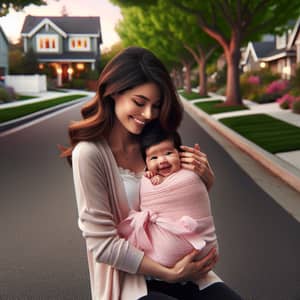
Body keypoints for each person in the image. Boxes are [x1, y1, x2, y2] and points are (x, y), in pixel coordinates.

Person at [61, 46, 242, 300]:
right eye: (139, 102)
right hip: (129, 280)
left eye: (156, 106)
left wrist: (204, 182)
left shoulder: (155, 143)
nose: (148, 114)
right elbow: (102, 245)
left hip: (185, 268)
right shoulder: (89, 154)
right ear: (113, 92)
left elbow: (178, 207)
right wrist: (170, 274)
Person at [118, 122, 219, 291]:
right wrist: (151, 178)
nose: (162, 160)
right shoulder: (148, 177)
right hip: (150, 271)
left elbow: (191, 199)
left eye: (168, 153)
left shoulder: (187, 175)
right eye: (154, 158)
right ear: (146, 163)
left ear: (180, 154)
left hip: (198, 259)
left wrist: (205, 180)